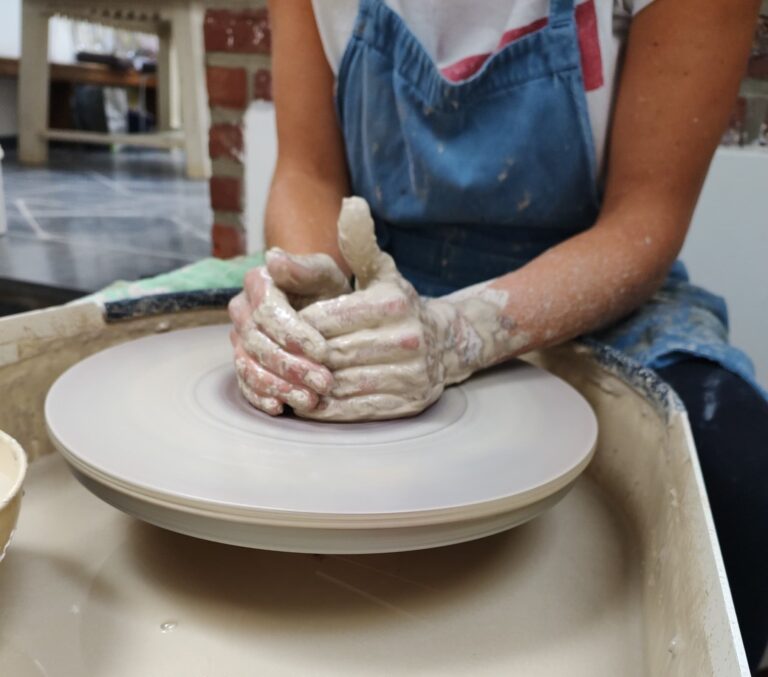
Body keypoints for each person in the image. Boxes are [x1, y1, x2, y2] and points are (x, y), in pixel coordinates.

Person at [227, 0, 767, 669]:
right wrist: (314, 302)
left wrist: (460, 333)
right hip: (383, 275)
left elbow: (645, 216)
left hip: (590, 281)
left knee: (739, 480)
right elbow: (307, 171)